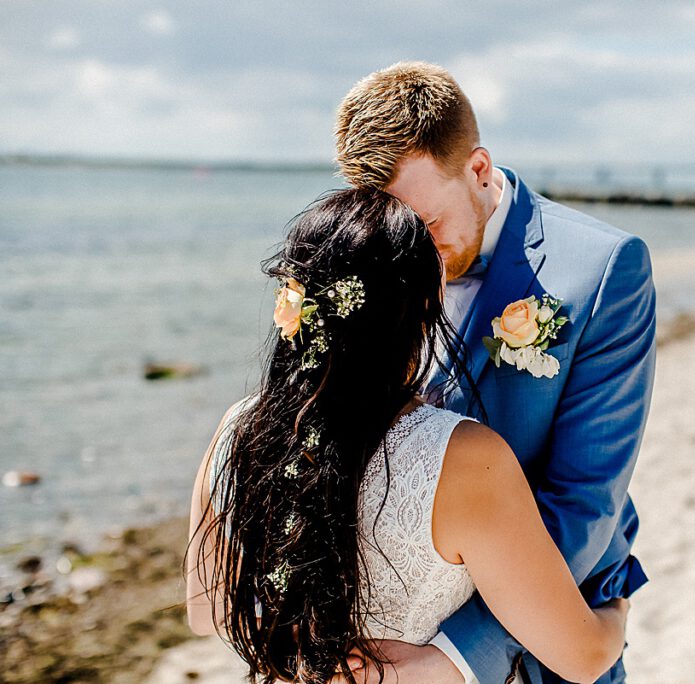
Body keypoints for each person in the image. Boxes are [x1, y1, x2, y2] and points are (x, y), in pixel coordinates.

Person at [185, 189, 630, 684]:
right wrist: (616, 611)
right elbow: (583, 658)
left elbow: (208, 613)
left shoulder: (236, 429)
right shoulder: (463, 457)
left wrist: (304, 640)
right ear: (424, 307)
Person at [333, 62, 656, 684]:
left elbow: (584, 502)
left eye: (426, 226)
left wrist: (450, 659)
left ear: (478, 170)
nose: (410, 258)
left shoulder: (604, 271)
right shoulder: (368, 257)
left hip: (535, 652)